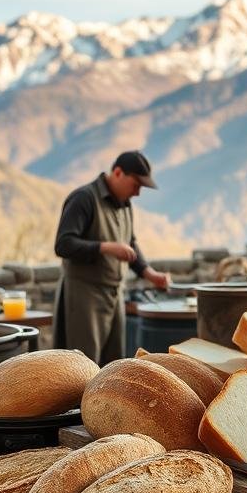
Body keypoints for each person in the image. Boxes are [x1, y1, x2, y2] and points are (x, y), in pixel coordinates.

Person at [53, 150, 170, 364]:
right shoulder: (84, 198)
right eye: (136, 185)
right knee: (83, 364)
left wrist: (149, 273)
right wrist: (105, 247)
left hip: (114, 295)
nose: (137, 193)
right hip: (84, 296)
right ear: (117, 173)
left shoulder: (125, 205)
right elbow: (63, 244)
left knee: (112, 363)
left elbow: (130, 244)